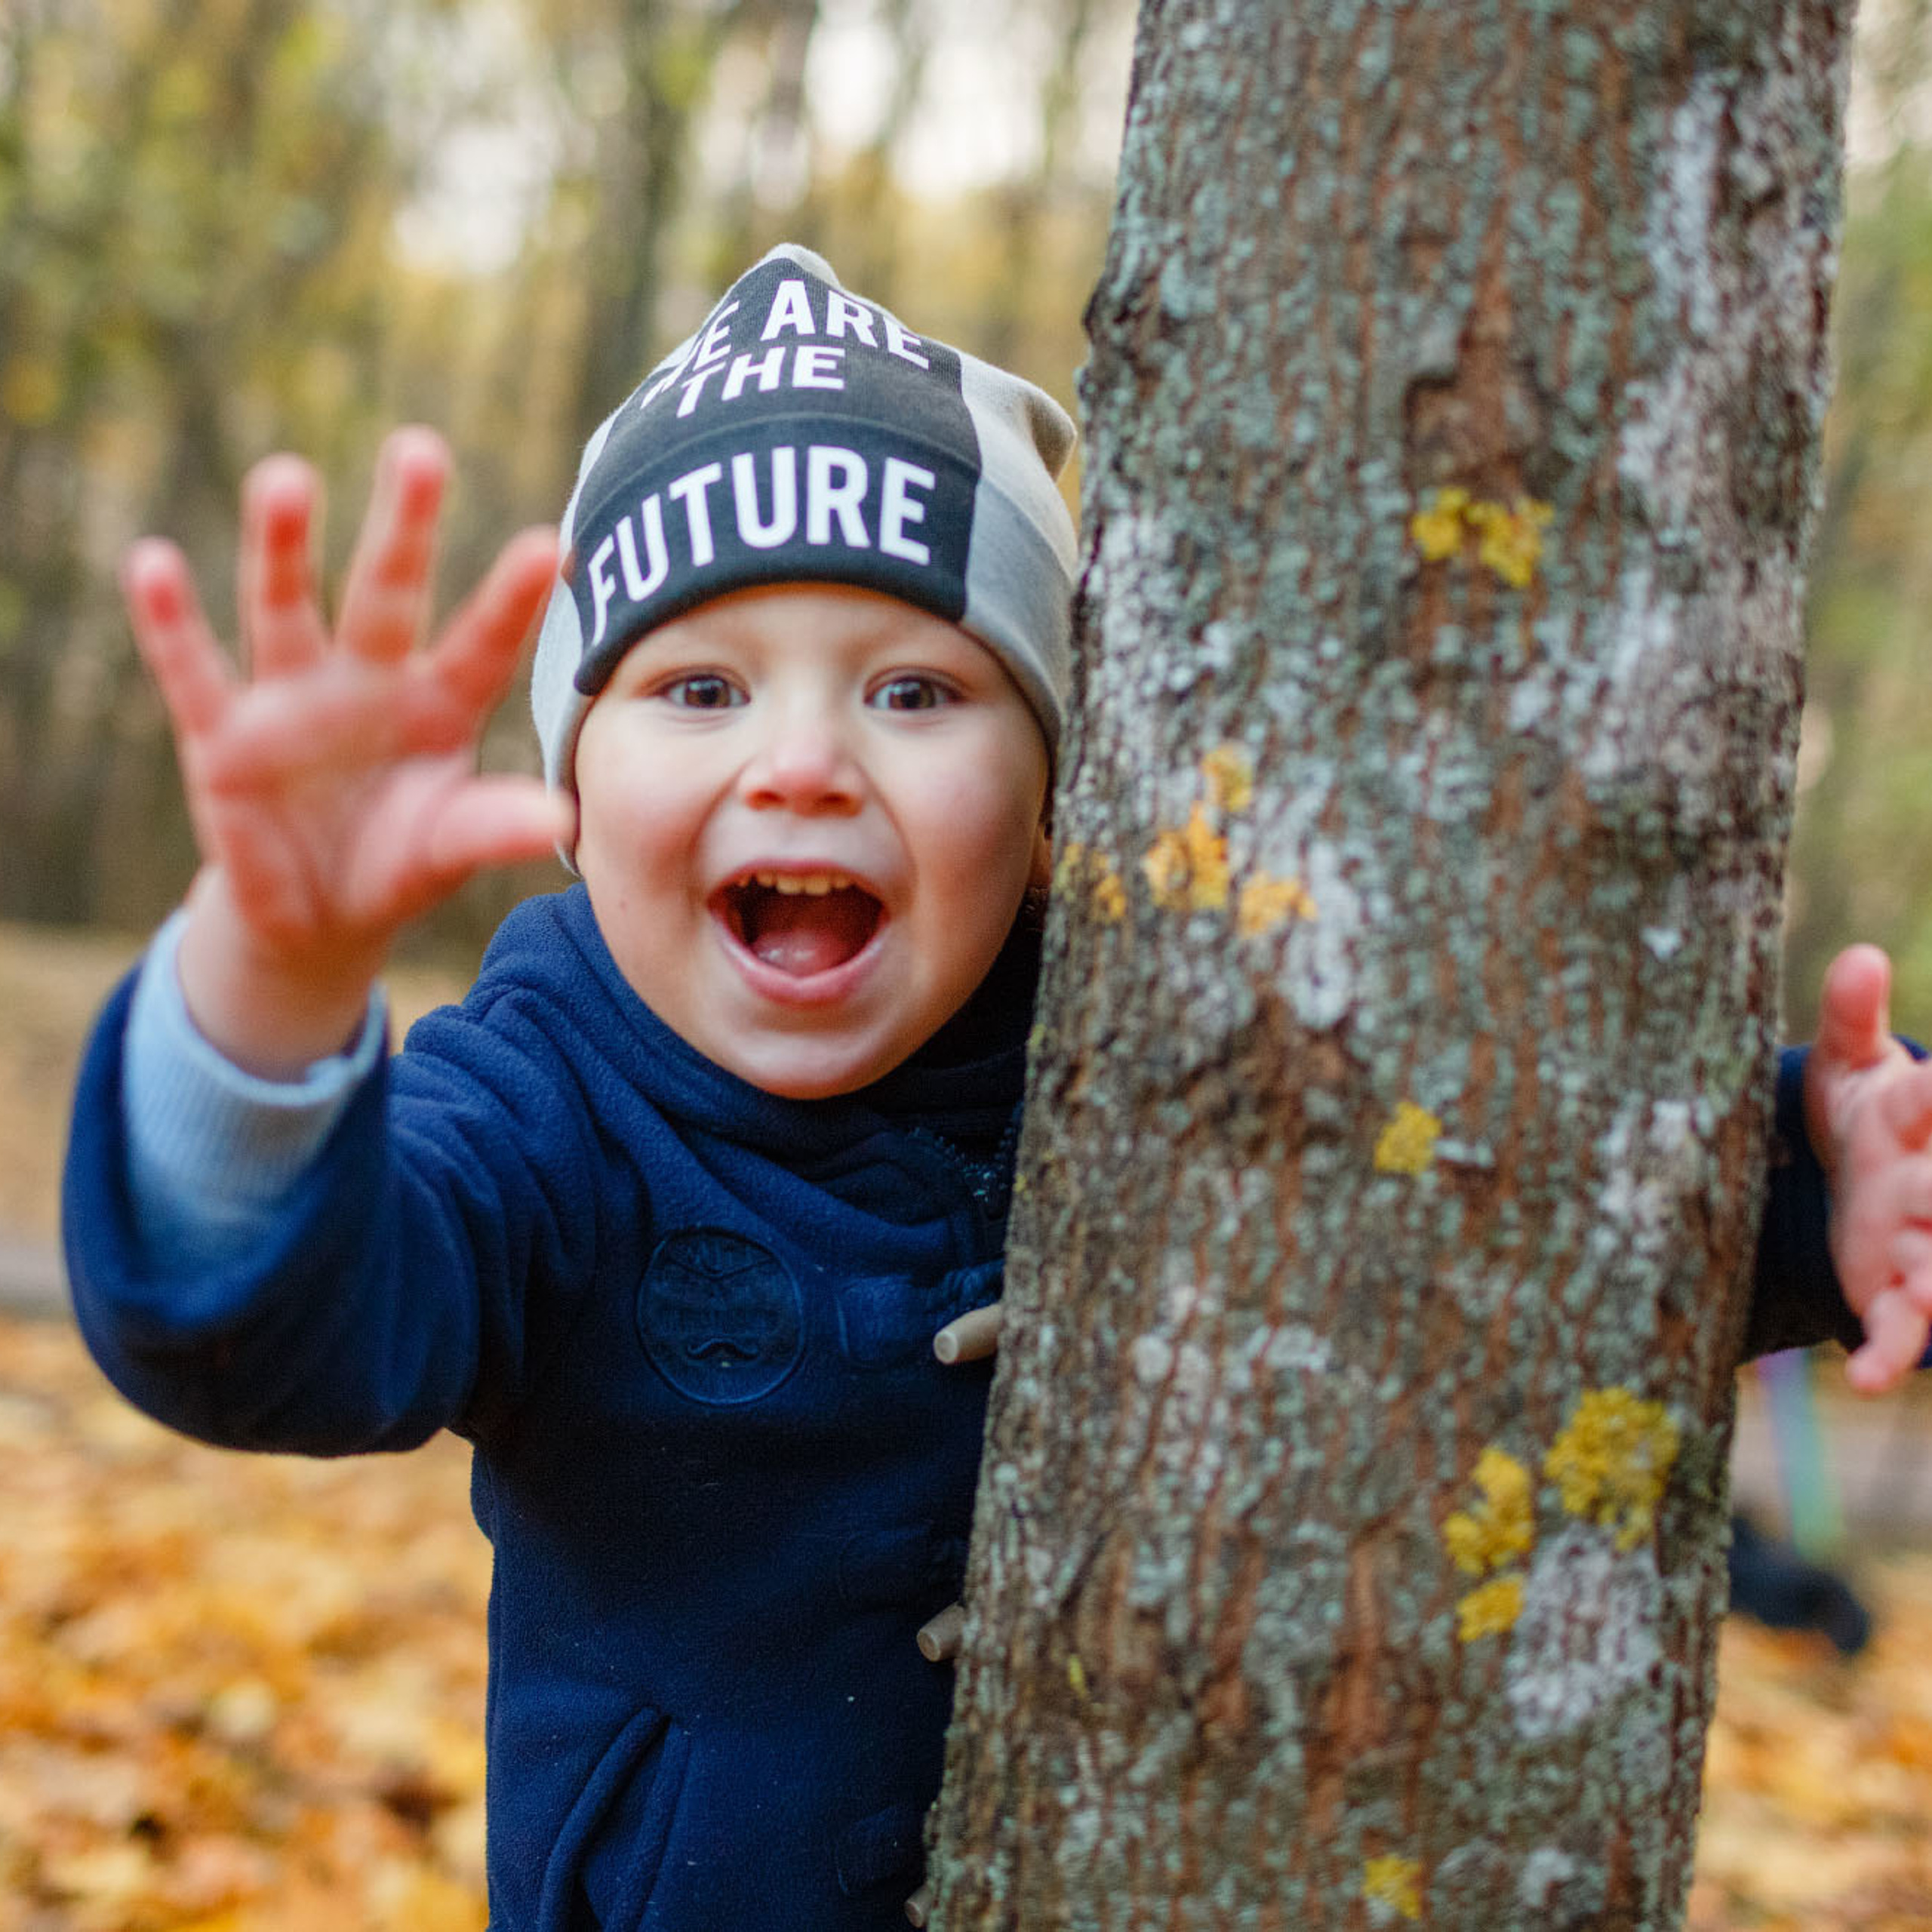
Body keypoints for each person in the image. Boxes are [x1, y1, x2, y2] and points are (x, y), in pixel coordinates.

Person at [60, 245, 1932, 1930]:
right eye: (700, 691)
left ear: (1047, 815)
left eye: (913, 691)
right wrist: (269, 977)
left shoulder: (1137, 1033)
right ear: (568, 796)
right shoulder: (543, 1100)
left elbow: (1460, 1188)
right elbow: (262, 1329)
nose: (800, 759)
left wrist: (1814, 1183)